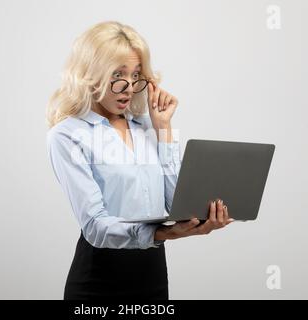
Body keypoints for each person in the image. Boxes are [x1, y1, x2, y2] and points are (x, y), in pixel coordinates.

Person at [46, 21, 234, 300]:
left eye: (136, 75)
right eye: (118, 75)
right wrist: (165, 234)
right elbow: (96, 226)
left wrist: (164, 131)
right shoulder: (68, 135)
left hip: (153, 276)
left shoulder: (146, 126)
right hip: (99, 282)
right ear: (92, 74)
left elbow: (174, 204)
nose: (130, 87)